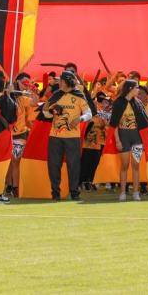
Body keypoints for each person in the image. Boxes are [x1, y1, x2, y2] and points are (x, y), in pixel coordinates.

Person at [43, 70, 92, 201]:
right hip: (55, 136)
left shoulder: (79, 95)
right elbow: (47, 115)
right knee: (54, 165)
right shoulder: (56, 95)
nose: (59, 82)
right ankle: (55, 193)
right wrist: (46, 109)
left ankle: (74, 193)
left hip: (73, 137)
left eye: (61, 80)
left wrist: (80, 119)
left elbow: (89, 114)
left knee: (73, 165)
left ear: (66, 82)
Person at [110, 79, 148, 201]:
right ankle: (122, 192)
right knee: (124, 165)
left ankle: (136, 192)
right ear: (130, 88)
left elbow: (145, 122)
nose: (138, 90)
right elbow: (113, 124)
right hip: (123, 136)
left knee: (136, 165)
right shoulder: (118, 103)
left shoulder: (138, 103)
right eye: (137, 87)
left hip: (137, 137)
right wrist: (117, 140)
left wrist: (146, 138)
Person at [6, 72, 38, 198]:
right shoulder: (7, 96)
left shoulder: (23, 99)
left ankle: (15, 188)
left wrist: (33, 90)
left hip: (20, 134)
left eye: (28, 82)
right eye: (24, 81)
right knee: (7, 162)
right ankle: (8, 185)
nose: (26, 84)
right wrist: (7, 92)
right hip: (6, 134)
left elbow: (34, 102)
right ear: (17, 81)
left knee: (15, 161)